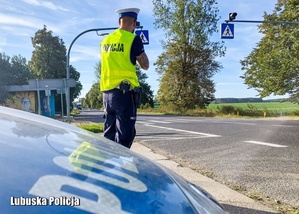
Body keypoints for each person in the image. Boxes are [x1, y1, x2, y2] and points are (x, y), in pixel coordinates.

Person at [100, 8, 149, 149]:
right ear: (134, 23)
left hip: (107, 94)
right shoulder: (133, 39)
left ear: (119, 21)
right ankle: (120, 167)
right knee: (125, 137)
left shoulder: (105, 41)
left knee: (109, 134)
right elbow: (145, 65)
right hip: (124, 94)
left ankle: (107, 165)